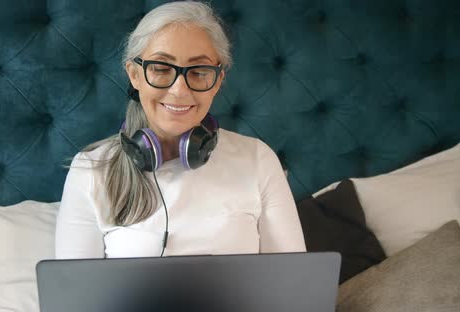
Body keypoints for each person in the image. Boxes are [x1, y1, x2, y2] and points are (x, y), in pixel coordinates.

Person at [55, 1, 306, 259]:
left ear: (218, 80)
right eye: (161, 69)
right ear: (134, 75)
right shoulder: (90, 171)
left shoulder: (258, 160)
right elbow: (73, 294)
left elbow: (294, 285)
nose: (179, 90)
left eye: (199, 72)